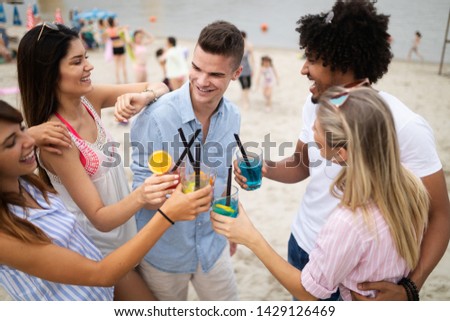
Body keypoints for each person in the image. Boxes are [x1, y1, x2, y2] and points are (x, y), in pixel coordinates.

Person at [234, 0, 450, 301]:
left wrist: (412, 287)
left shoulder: (404, 126)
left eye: (312, 58)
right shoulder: (317, 105)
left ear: (342, 61)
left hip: (362, 277)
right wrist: (265, 168)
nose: (303, 69)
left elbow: (440, 215)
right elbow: (301, 164)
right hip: (303, 247)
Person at [213, 86, 430, 300]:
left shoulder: (348, 222)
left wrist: (251, 237)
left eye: (317, 131)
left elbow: (309, 294)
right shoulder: (411, 188)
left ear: (341, 153)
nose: (311, 130)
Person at [0, 99, 213, 301]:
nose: (28, 141)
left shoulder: (21, 181)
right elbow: (100, 275)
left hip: (107, 277)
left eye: (22, 129)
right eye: (11, 143)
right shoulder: (5, 236)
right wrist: (168, 214)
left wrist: (31, 134)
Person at [16, 23, 170, 300]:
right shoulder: (57, 140)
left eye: (86, 56)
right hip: (102, 250)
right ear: (49, 73)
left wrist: (143, 97)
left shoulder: (89, 99)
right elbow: (100, 218)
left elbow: (160, 85)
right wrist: (143, 195)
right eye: (77, 61)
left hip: (130, 233)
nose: (89, 66)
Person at [130, 20, 244, 300]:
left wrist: (229, 226)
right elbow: (140, 194)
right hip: (164, 252)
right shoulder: (155, 118)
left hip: (212, 244)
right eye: (196, 68)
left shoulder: (233, 116)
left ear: (236, 73)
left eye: (215, 74)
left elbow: (225, 176)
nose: (202, 81)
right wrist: (170, 190)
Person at [104, 17, 128, 83]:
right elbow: (126, 27)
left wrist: (107, 24)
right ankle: (125, 80)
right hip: (121, 47)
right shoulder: (118, 29)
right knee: (123, 65)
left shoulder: (107, 31)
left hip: (114, 48)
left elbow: (104, 39)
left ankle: (118, 80)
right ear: (114, 22)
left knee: (116, 66)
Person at [238, 31, 255, 109]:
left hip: (247, 68)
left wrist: (253, 69)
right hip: (239, 69)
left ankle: (245, 98)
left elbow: (252, 59)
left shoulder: (249, 46)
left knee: (248, 86)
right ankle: (245, 102)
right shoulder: (236, 47)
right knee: (244, 86)